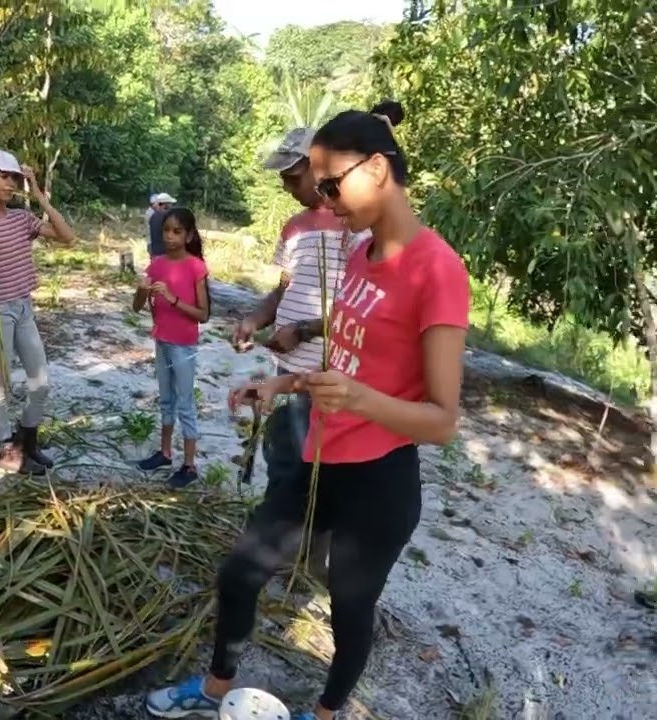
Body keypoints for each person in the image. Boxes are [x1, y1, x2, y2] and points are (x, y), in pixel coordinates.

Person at [146, 100, 470, 720]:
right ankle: (214, 689)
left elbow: (444, 420)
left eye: (330, 182)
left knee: (350, 607)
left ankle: (325, 713)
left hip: (377, 480)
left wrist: (362, 401)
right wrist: (285, 389)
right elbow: (346, 359)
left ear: (376, 168)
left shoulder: (438, 271)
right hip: (315, 453)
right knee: (241, 572)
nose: (322, 196)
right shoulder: (358, 254)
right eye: (316, 185)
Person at [230, 127, 366, 583]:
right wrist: (256, 321)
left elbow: (361, 308)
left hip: (329, 373)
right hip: (285, 370)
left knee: (323, 473)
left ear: (317, 165)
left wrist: (304, 330)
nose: (287, 188)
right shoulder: (294, 227)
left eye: (292, 177)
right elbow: (283, 289)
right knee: (284, 459)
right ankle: (282, 552)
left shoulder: (355, 227)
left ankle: (312, 562)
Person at [0, 149, 75, 476]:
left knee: (41, 382)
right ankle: (5, 447)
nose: (11, 183)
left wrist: (39, 195)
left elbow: (67, 238)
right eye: (4, 177)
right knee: (0, 383)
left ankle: (28, 440)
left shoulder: (21, 218)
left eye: (15, 178)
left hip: (23, 306)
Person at [131, 207, 210, 487]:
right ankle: (165, 453)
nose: (170, 236)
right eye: (166, 230)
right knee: (166, 399)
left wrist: (172, 297)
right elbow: (137, 307)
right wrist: (142, 289)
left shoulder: (195, 266)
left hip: (184, 344)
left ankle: (189, 465)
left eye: (177, 231)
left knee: (185, 403)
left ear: (189, 235)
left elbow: (203, 314)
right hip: (162, 340)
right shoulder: (156, 264)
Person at [146, 192, 176, 258]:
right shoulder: (168, 217)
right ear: (166, 205)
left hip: (155, 253)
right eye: (170, 204)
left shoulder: (153, 217)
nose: (171, 206)